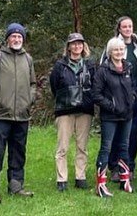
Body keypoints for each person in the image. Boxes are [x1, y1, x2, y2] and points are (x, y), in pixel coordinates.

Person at [0, 23, 37, 204]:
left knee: (18, 152)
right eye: (14, 36)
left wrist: (30, 99)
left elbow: (33, 84)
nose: (17, 39)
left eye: (20, 37)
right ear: (7, 39)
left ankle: (16, 185)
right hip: (1, 115)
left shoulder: (28, 59)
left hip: (22, 115)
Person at [101, 16, 137, 181]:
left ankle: (129, 166)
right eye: (124, 26)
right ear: (119, 29)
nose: (128, 29)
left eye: (130, 26)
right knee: (117, 134)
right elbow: (103, 71)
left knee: (132, 133)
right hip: (116, 96)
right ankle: (114, 167)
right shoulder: (113, 45)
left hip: (135, 95)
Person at [49, 32, 95, 191]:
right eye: (74, 44)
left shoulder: (89, 66)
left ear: (84, 46)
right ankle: (62, 179)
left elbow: (95, 86)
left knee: (82, 146)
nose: (77, 46)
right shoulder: (60, 66)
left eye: (80, 43)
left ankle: (80, 177)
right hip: (65, 110)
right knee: (63, 146)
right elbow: (54, 86)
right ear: (68, 47)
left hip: (85, 110)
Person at [92, 37, 136, 197]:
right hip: (109, 117)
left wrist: (132, 99)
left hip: (127, 115)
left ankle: (125, 181)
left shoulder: (128, 68)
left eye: (121, 49)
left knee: (124, 146)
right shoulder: (103, 70)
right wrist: (112, 107)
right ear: (110, 52)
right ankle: (101, 184)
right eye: (116, 50)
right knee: (106, 148)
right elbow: (96, 95)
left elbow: (132, 88)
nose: (119, 52)